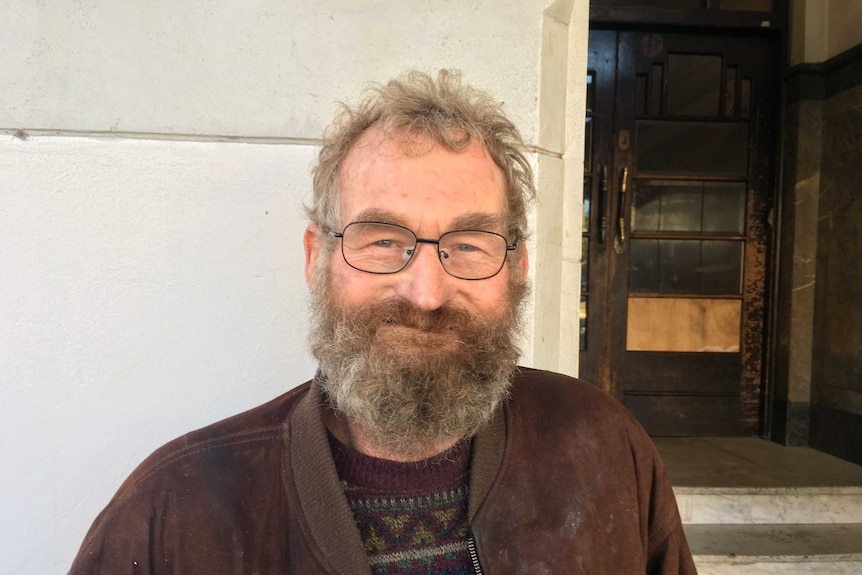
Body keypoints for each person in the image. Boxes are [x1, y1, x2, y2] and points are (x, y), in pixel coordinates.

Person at [69, 70, 696, 574]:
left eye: (469, 245)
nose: (426, 293)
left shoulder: (605, 451)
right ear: (318, 258)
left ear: (518, 266)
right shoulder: (174, 511)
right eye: (381, 241)